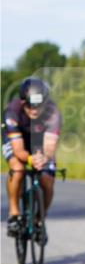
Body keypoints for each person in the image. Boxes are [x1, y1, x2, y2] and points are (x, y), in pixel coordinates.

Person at [4, 78, 62, 237]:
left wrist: (44, 158)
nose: (34, 111)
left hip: (39, 140)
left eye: (39, 106)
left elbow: (50, 145)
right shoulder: (12, 112)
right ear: (23, 102)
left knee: (48, 180)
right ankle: (13, 213)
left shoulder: (52, 112)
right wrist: (30, 160)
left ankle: (39, 219)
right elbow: (18, 149)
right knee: (17, 169)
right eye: (30, 106)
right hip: (17, 140)